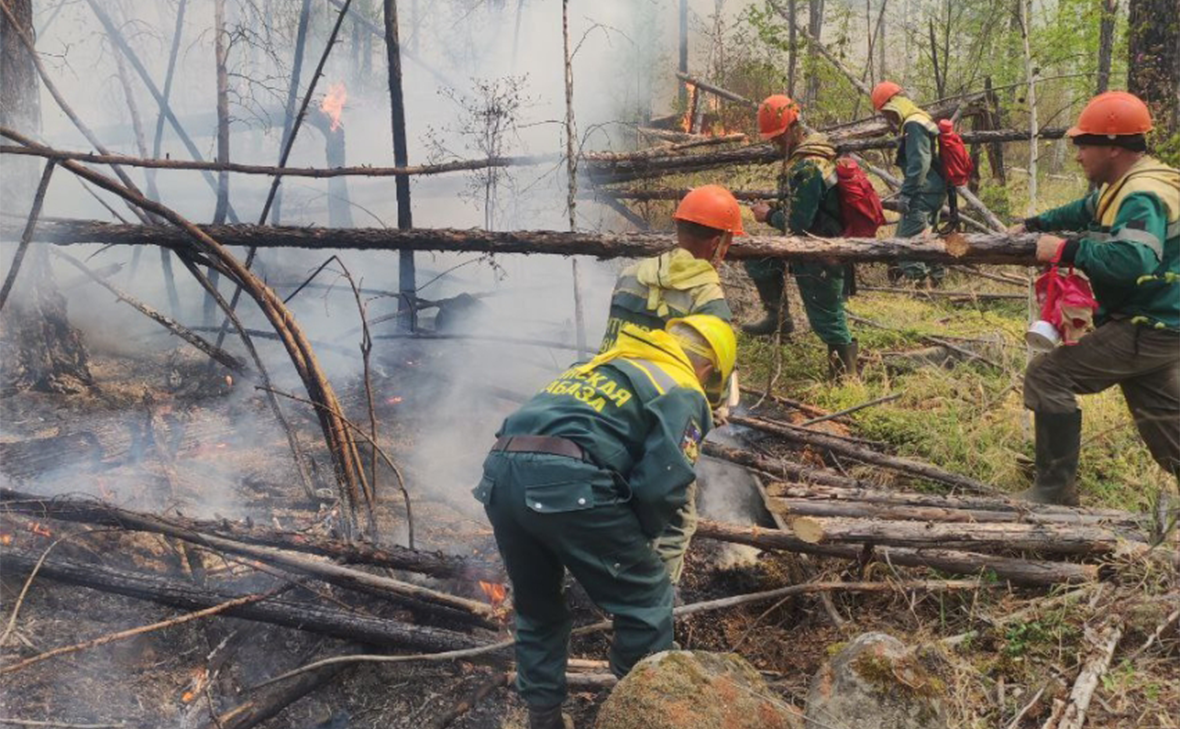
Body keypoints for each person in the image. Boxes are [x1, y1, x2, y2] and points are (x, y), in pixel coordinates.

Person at [474, 315, 737, 729]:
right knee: (646, 598)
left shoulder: (598, 366)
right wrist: (637, 545)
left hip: (498, 474)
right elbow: (662, 481)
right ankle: (640, 714)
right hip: (566, 480)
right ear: (710, 369)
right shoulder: (682, 385)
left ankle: (543, 718)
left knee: (538, 605)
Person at [1009, 90, 1180, 505]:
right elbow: (1086, 208)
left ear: (1115, 148)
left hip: (1147, 325)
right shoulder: (1125, 183)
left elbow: (1131, 261)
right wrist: (1033, 224)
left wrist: (1066, 250)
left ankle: (1053, 492)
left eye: (1084, 144)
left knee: (1048, 375)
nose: (1079, 154)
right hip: (1161, 322)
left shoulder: (1142, 195)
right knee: (1163, 424)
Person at [598, 184, 743, 584]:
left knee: (615, 502)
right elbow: (706, 391)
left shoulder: (629, 275)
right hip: (661, 423)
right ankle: (652, 614)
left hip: (609, 406)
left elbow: (610, 342)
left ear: (678, 229)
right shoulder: (708, 295)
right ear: (720, 242)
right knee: (675, 522)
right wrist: (717, 410)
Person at [746, 94, 858, 378]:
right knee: (758, 260)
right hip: (809, 239)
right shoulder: (812, 146)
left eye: (777, 138)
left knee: (826, 316)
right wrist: (777, 207)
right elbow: (803, 206)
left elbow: (797, 222)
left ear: (792, 128)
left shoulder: (806, 165)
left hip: (821, 247)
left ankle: (845, 377)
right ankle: (778, 319)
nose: (774, 144)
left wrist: (768, 215)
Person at [599, 184, 741, 352]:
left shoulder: (629, 275)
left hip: (608, 375)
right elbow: (713, 375)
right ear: (716, 244)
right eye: (728, 242)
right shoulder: (707, 300)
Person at [871, 81, 947, 285]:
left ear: (893, 104)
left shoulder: (913, 124)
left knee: (906, 247)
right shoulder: (921, 118)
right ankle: (937, 284)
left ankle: (922, 290)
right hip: (933, 190)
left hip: (922, 193)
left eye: (886, 113)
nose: (888, 119)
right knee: (928, 240)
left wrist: (907, 193)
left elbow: (919, 163)